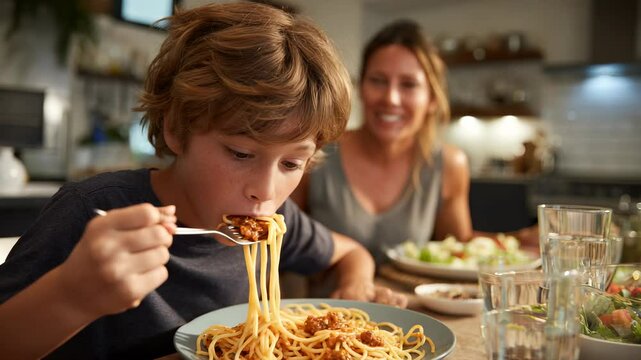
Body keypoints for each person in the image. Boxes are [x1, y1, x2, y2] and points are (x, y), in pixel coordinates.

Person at [0, 3, 405, 359]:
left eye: (291, 164)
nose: (264, 191)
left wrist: (354, 285)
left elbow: (351, 253)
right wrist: (72, 295)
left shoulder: (269, 223)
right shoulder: (92, 213)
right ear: (177, 129)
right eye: (241, 154)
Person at [292, 19, 537, 263]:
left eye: (408, 84)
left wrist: (521, 239)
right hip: (324, 303)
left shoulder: (449, 164)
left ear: (431, 98)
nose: (391, 98)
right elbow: (283, 240)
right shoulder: (317, 150)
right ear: (361, 88)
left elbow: (457, 247)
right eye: (378, 80)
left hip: (406, 301)